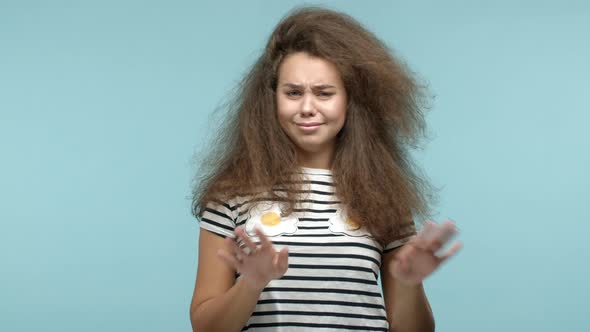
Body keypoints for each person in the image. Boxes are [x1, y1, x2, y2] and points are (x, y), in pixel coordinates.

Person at [189, 6, 462, 332]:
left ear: (350, 100)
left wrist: (408, 283)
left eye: (324, 93)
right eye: (293, 92)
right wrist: (251, 284)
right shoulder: (231, 193)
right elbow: (204, 327)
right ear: (272, 97)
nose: (307, 108)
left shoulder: (383, 195)